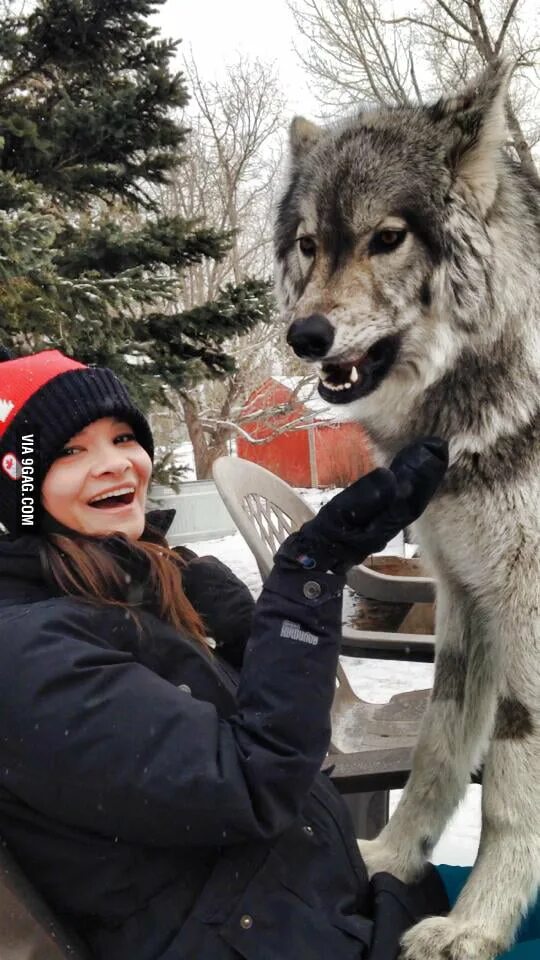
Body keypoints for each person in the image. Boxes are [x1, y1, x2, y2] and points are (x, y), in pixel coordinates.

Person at [0, 346, 451, 960]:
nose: (115, 465)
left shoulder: (127, 589)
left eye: (123, 437)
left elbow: (224, 751)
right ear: (19, 488)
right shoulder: (29, 654)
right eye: (69, 451)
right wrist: (307, 576)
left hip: (315, 903)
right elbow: (252, 784)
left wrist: (245, 642)